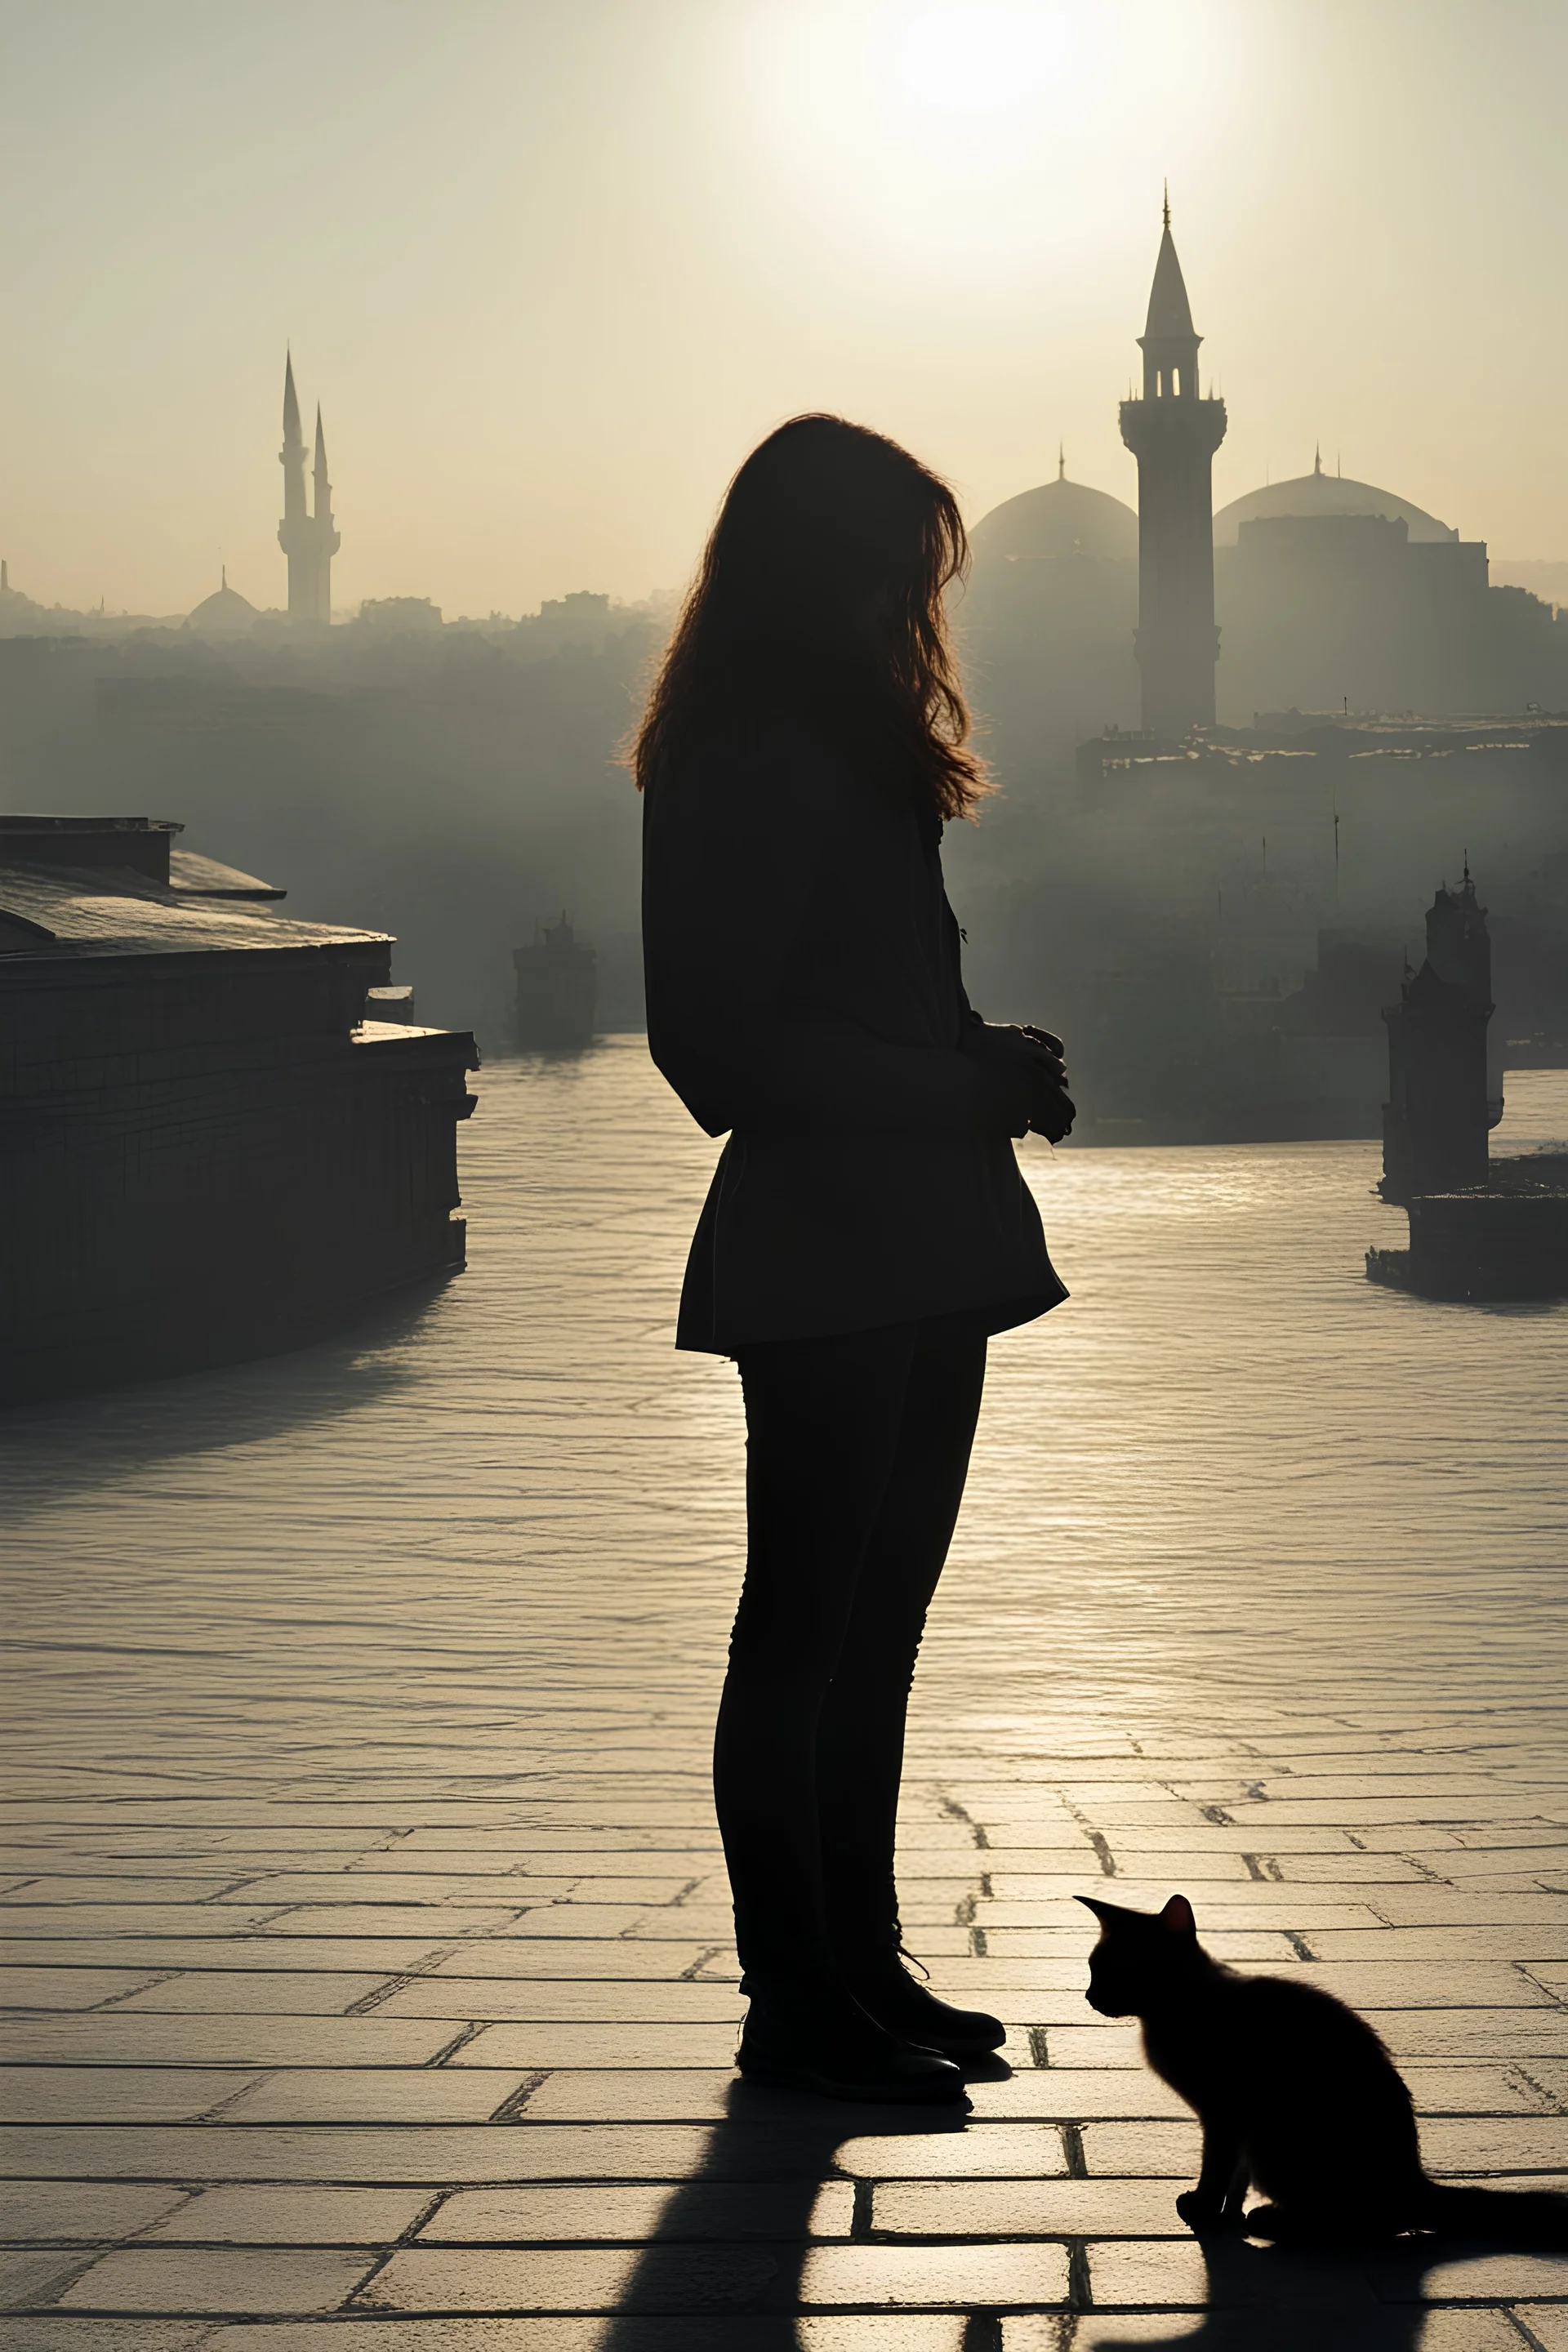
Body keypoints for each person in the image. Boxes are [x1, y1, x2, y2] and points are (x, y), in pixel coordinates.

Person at [635, 414, 1072, 2105]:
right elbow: (721, 1048)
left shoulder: (836, 736)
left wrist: (983, 1053)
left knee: (872, 1627)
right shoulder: (748, 745)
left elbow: (856, 995)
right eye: (901, 563)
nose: (920, 598)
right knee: (806, 1629)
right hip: (833, 1239)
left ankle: (858, 1966)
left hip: (915, 1231)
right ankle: (794, 2002)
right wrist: (952, 1080)